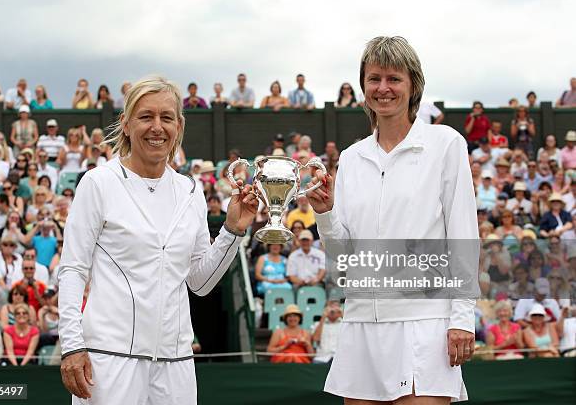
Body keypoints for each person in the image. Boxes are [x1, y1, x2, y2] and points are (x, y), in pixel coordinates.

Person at [58, 75, 258, 403]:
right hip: (109, 358)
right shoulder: (98, 184)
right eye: (146, 116)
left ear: (179, 126)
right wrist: (72, 345)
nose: (157, 127)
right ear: (125, 124)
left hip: (175, 360)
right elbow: (73, 270)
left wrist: (232, 231)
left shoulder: (190, 191)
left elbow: (200, 282)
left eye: (166, 118)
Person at [306, 36, 478, 403]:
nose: (383, 88)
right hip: (361, 324)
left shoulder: (446, 144)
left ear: (413, 85)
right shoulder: (351, 158)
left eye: (394, 79)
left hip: (425, 326)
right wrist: (325, 214)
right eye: (374, 78)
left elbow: (464, 234)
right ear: (363, 86)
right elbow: (344, 255)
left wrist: (462, 318)